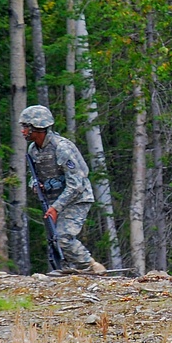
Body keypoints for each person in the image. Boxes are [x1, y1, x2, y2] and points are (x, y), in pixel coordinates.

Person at [19, 105, 106, 274]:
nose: (23, 131)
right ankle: (68, 269)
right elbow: (35, 177)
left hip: (77, 199)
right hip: (55, 200)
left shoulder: (62, 147)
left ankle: (91, 266)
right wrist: (36, 185)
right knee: (54, 239)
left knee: (63, 237)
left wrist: (56, 207)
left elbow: (76, 184)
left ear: (37, 128)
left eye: (25, 127)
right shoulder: (34, 150)